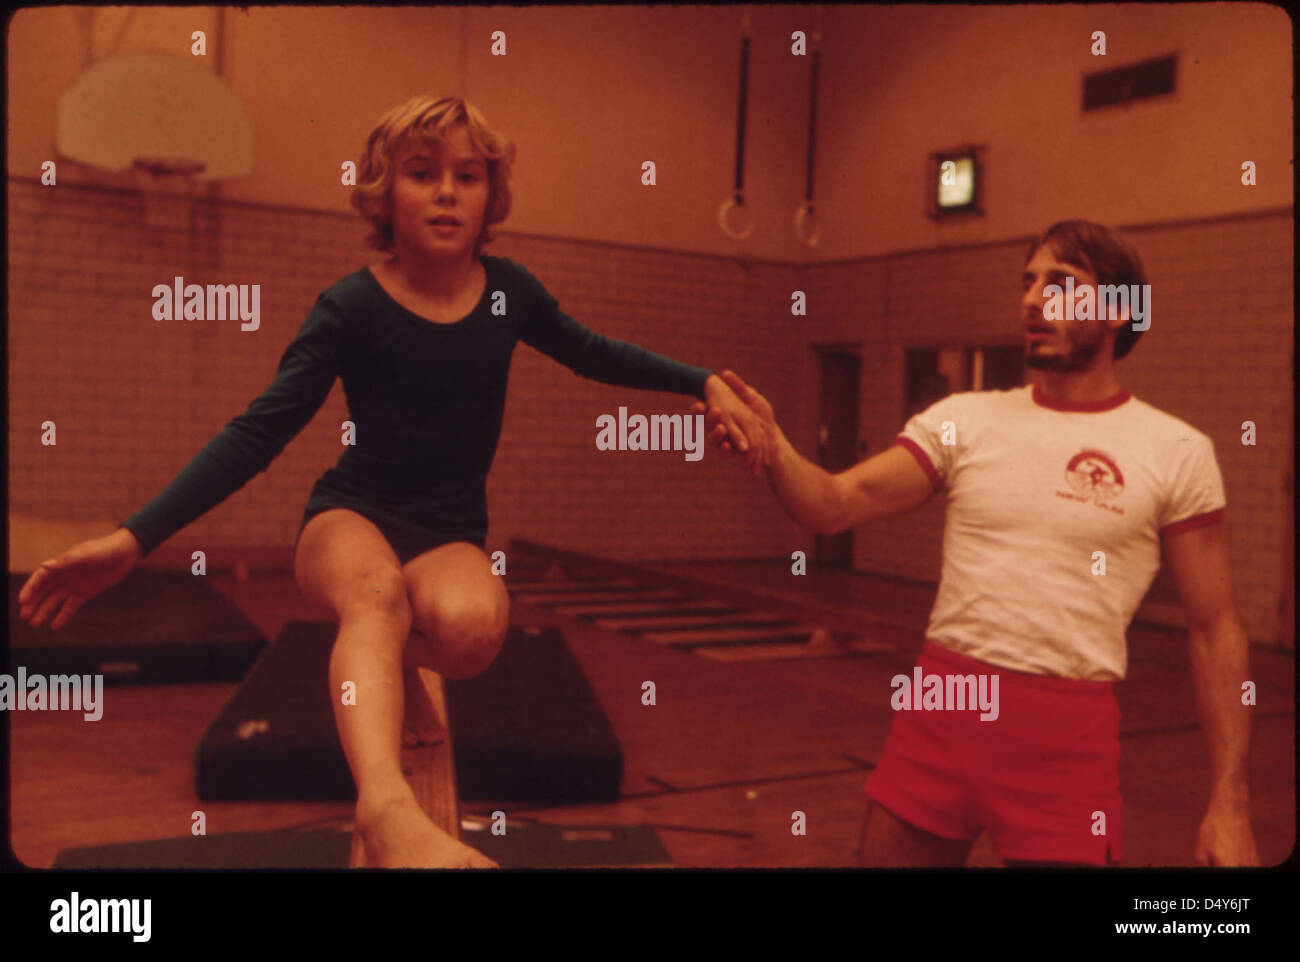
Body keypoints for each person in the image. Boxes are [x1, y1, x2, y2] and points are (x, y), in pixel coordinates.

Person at [17, 95, 770, 869]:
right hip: (348, 521)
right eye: (422, 173)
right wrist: (132, 539)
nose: (446, 190)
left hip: (448, 534)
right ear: (383, 193)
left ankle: (399, 661)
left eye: (467, 176)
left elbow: (595, 351)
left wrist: (702, 381)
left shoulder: (509, 293)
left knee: (476, 630)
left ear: (490, 198)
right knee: (376, 592)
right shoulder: (350, 307)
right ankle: (386, 807)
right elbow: (257, 431)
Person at [697, 220, 1260, 867]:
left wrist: (1231, 801)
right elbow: (833, 505)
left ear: (1117, 311)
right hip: (942, 712)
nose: (1031, 299)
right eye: (1027, 282)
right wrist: (772, 445)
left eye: (1060, 283)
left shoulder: (1177, 451)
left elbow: (1216, 628)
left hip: (1066, 744)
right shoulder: (965, 420)